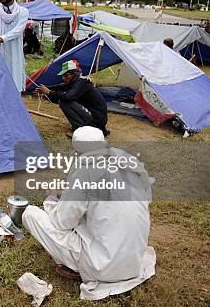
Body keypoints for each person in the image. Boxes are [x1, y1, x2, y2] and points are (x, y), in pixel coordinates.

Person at [22, 126, 156, 301]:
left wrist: (52, 199)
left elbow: (62, 223)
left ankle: (79, 268)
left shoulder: (85, 171)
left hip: (102, 266)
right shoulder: (130, 164)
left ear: (76, 151)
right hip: (134, 263)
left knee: (30, 214)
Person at [35, 60, 109, 136]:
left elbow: (67, 97)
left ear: (73, 74)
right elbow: (60, 87)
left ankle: (79, 130)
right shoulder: (76, 82)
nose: (63, 78)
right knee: (64, 99)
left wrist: (49, 92)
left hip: (97, 119)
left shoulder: (81, 83)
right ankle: (92, 127)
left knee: (64, 102)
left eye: (66, 75)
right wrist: (47, 89)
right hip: (97, 118)